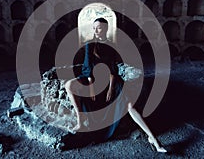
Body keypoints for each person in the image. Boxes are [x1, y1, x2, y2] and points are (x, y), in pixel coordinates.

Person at [65, 18, 167, 153]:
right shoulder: (90, 44)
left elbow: (113, 69)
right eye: (94, 27)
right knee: (69, 85)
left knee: (130, 105)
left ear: (106, 29)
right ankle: (80, 120)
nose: (95, 30)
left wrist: (111, 88)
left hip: (109, 80)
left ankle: (153, 139)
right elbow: (87, 66)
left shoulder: (112, 45)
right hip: (92, 79)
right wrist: (90, 88)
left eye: (99, 27)